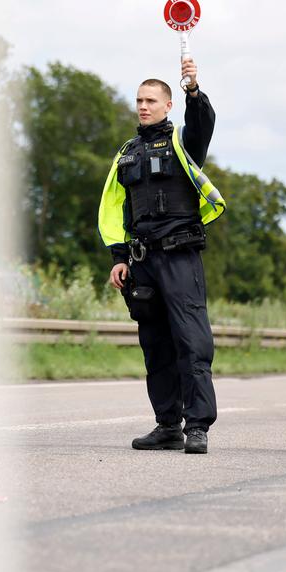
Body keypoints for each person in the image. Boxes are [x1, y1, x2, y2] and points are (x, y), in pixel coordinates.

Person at [98, 58, 225, 454]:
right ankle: (167, 424)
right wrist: (119, 258)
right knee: (155, 345)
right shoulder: (127, 152)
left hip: (179, 257)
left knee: (192, 342)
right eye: (139, 100)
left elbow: (203, 123)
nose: (143, 106)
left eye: (151, 99)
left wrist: (192, 90)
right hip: (142, 263)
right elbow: (117, 208)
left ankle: (198, 426)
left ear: (167, 105)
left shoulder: (182, 142)